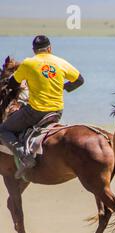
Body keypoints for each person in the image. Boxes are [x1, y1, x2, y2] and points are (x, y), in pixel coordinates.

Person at [0, 35, 84, 178]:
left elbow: (13, 84)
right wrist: (62, 87)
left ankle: (24, 155)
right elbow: (79, 80)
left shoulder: (28, 63)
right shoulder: (60, 62)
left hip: (36, 112)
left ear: (34, 50)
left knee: (3, 129)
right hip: (57, 112)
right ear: (50, 48)